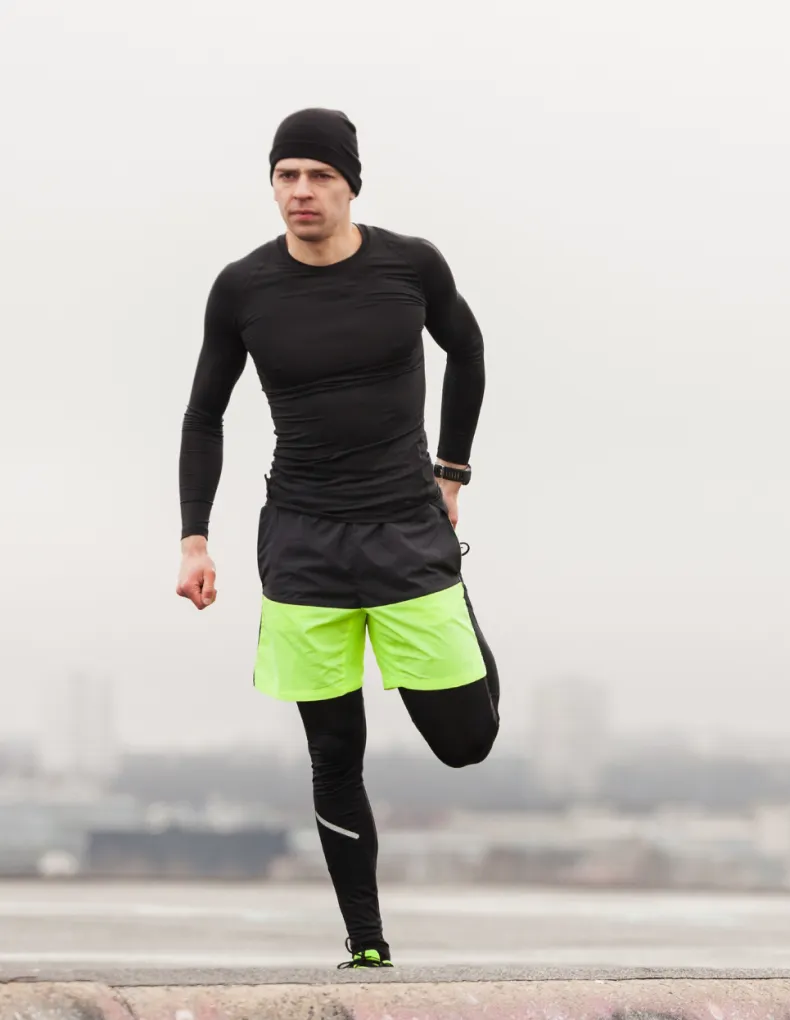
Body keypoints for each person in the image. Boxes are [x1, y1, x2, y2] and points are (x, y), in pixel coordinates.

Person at [175, 108, 500, 968]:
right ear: (272, 185)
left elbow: (468, 354)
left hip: (405, 530)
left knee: (467, 743)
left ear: (351, 183)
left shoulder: (411, 266)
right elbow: (205, 415)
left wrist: (452, 473)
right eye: (287, 175)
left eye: (319, 175)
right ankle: (366, 941)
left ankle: (457, 601)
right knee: (332, 750)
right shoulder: (243, 288)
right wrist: (194, 538)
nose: (302, 191)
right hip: (303, 541)